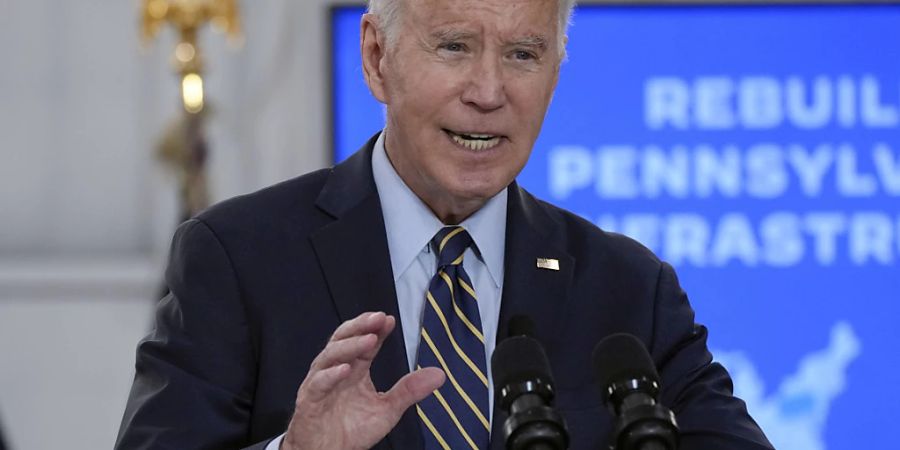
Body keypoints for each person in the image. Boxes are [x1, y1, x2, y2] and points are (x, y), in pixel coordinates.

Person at [116, 0, 774, 449]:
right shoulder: (237, 260)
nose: (489, 91)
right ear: (377, 57)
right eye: (455, 46)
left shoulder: (629, 289)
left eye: (523, 54)